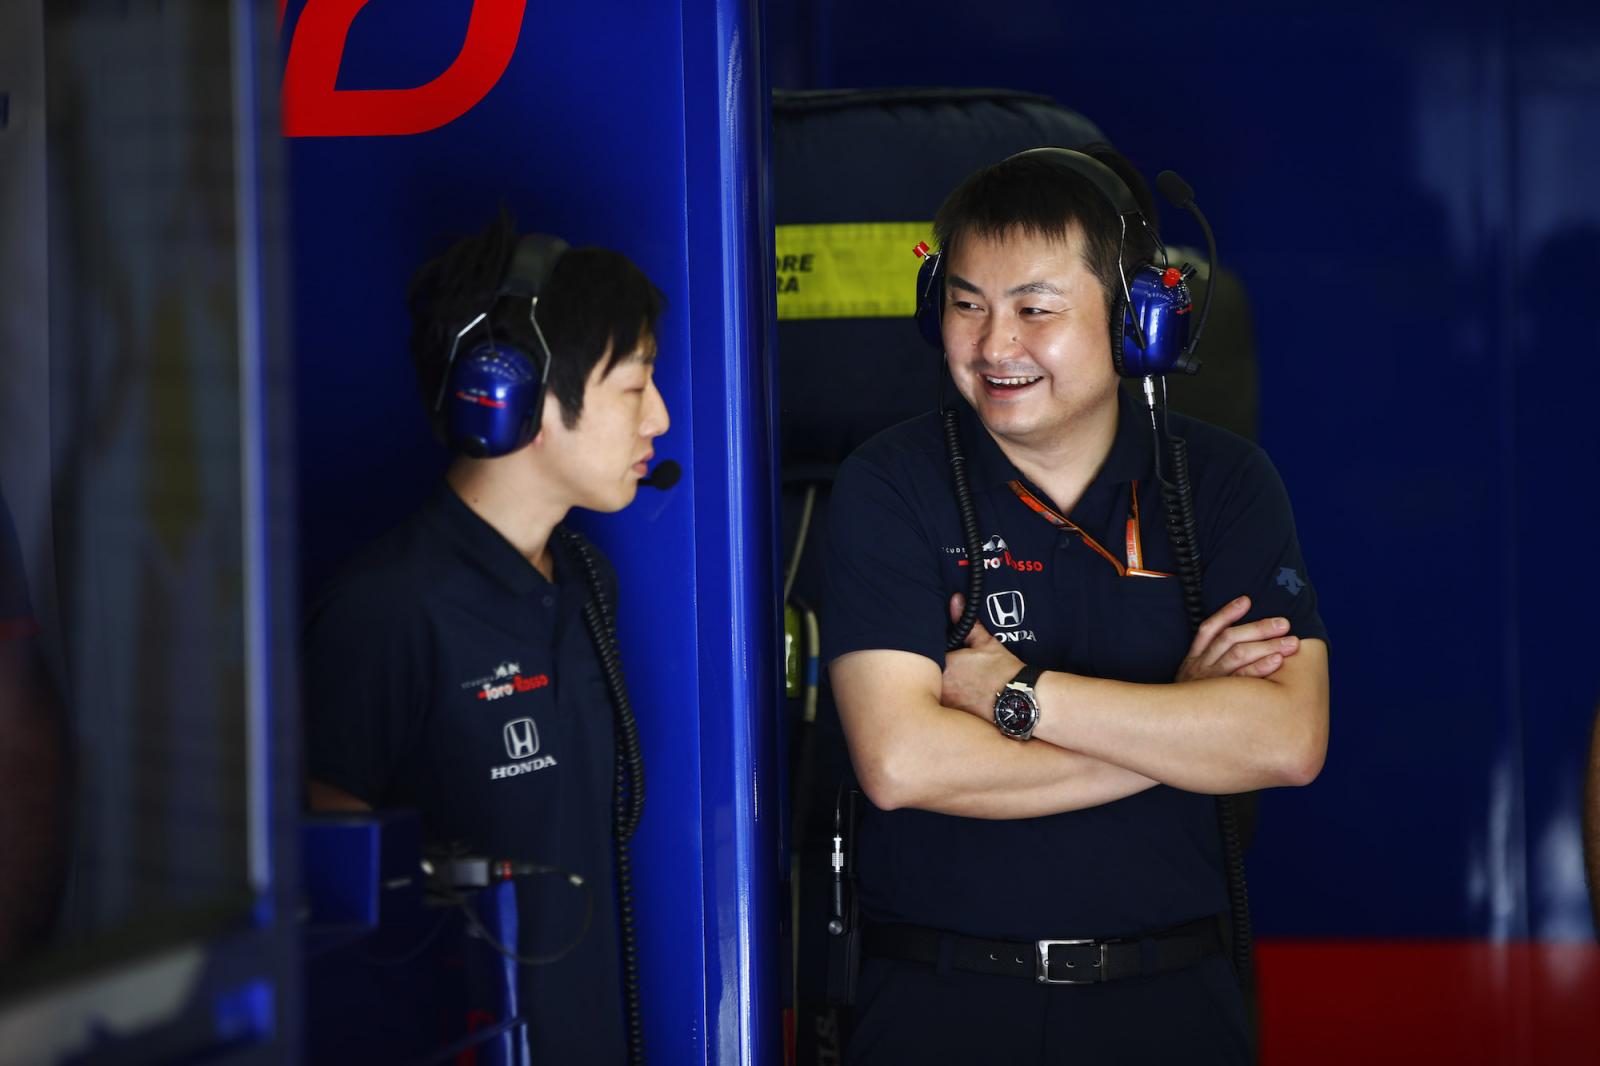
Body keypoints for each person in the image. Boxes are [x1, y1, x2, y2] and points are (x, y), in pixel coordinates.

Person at [821, 146, 1329, 1064]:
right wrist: (1182, 727)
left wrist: (1021, 697)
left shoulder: (1224, 485)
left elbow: (1286, 741)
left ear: (1135, 320)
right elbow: (901, 762)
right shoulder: (889, 485)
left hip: (1172, 1002)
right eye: (967, 304)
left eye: (1035, 309)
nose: (993, 346)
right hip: (938, 1002)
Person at [302, 212, 669, 1064]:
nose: (658, 417)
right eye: (633, 387)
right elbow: (332, 912)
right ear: (511, 400)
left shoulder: (587, 582)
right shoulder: (387, 610)